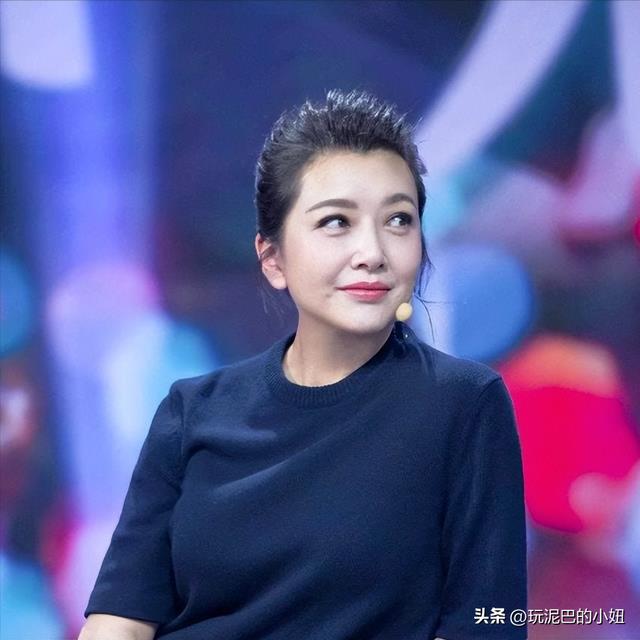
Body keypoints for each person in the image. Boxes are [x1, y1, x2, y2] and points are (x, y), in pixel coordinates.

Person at [79, 89, 528, 640]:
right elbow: (119, 620)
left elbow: (488, 621)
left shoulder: (462, 403)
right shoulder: (191, 411)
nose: (373, 252)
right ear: (273, 259)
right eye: (336, 222)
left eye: (398, 220)